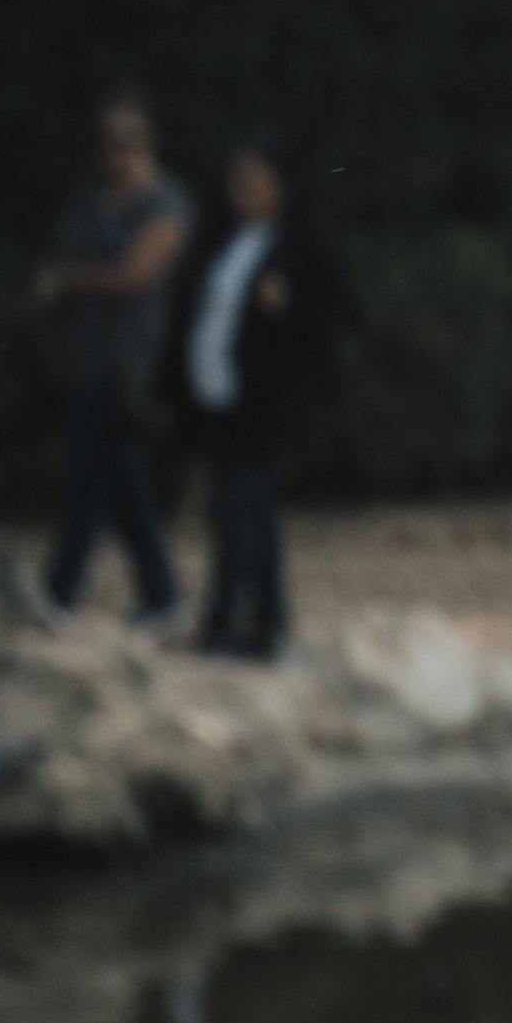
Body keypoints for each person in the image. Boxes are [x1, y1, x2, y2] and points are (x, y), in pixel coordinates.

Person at [4, 87, 191, 635]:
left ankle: (60, 592)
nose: (118, 152)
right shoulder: (90, 202)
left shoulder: (166, 204)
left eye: (129, 140)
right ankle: (162, 595)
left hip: (127, 366)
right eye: (109, 142)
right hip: (78, 360)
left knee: (88, 480)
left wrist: (68, 277)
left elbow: (137, 275)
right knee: (120, 484)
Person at [168, 141, 349, 658]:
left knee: (250, 513)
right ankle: (240, 620)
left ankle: (250, 625)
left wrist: (288, 307)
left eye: (255, 181)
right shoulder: (223, 239)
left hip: (269, 403)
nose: (242, 193)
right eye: (237, 182)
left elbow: (336, 321)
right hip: (221, 396)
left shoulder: (305, 244)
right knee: (230, 513)